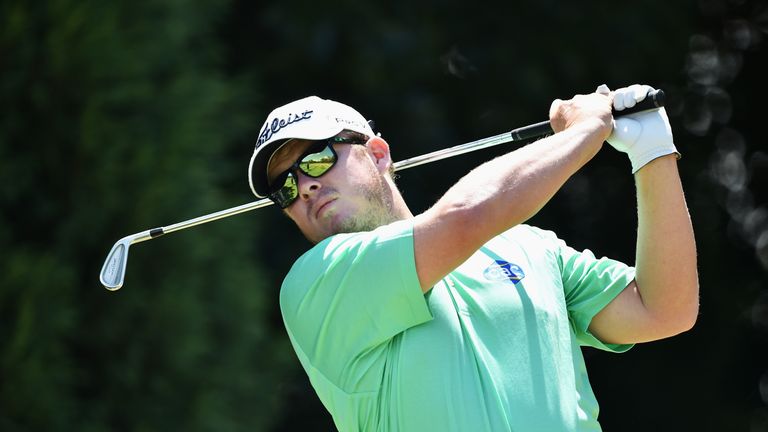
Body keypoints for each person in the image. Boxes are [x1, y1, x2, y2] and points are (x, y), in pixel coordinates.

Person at [247, 84, 699, 431]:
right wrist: (586, 130)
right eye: (283, 187)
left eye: (318, 158)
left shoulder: (527, 246)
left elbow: (662, 309)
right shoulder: (317, 285)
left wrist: (653, 151)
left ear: (378, 154)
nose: (303, 185)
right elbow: (466, 217)